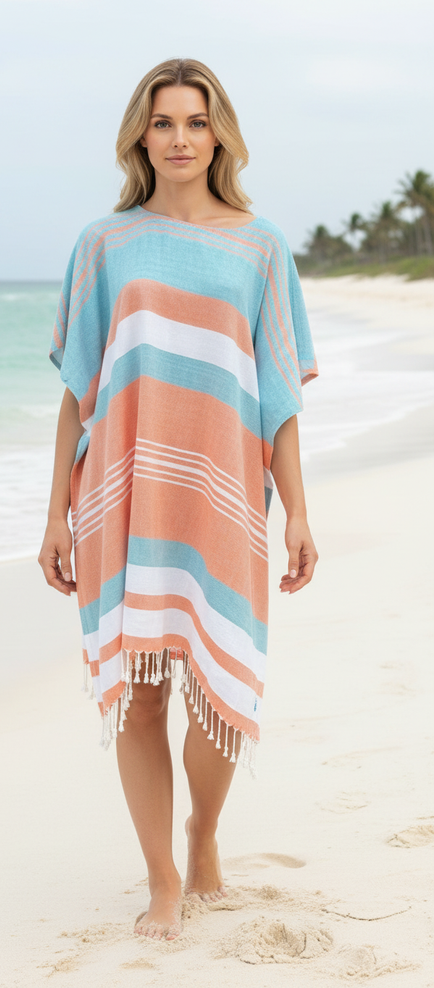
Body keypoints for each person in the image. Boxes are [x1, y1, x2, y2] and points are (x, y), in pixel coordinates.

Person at [38, 58, 319, 942]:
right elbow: (79, 391)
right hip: (123, 489)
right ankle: (162, 877)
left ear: (220, 135)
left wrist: (299, 510)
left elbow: (277, 393)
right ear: (140, 137)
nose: (181, 139)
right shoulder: (104, 244)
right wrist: (55, 511)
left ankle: (202, 832)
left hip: (226, 488)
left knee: (214, 683)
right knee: (142, 690)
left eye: (196, 122)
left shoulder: (260, 245)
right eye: (163, 123)